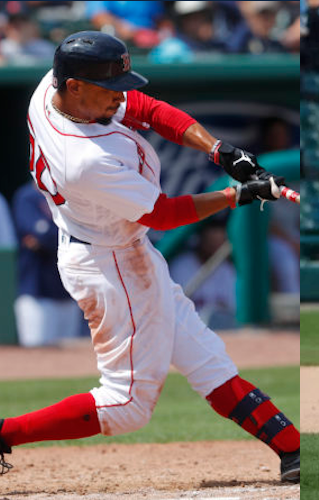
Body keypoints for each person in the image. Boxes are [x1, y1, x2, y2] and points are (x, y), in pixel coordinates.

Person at [3, 31, 296, 482]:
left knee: (207, 361)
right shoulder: (84, 159)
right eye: (109, 89)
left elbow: (146, 108)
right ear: (75, 86)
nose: (120, 97)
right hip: (110, 263)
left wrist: (218, 149)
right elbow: (163, 214)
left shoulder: (55, 87)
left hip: (119, 249)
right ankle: (4, 433)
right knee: (127, 405)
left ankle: (293, 450)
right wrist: (235, 195)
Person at [11, 183, 85, 347]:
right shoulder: (28, 196)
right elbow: (40, 234)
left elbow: (83, 235)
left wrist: (49, 238)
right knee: (36, 355)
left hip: (69, 293)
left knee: (69, 359)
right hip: (37, 293)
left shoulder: (72, 196)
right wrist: (68, 237)